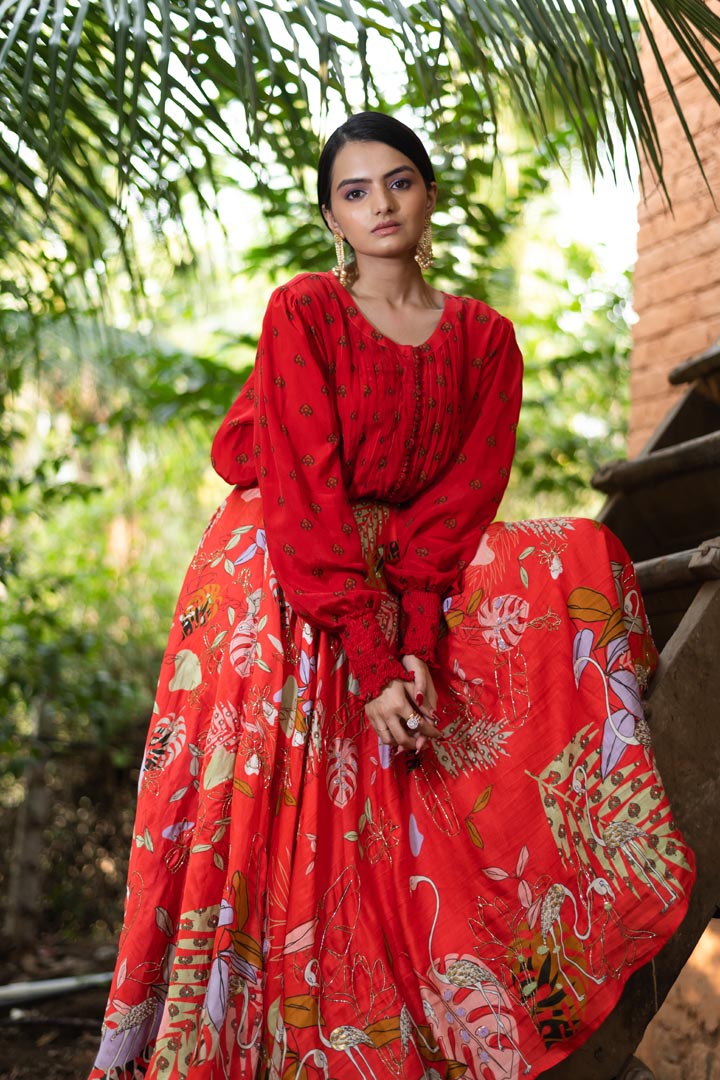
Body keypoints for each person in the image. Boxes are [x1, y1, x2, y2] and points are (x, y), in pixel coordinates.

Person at [89, 113, 694, 1080]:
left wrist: (413, 634)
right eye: (356, 191)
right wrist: (371, 660)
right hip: (284, 564)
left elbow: (461, 501)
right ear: (332, 214)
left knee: (581, 549)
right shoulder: (304, 313)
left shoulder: (487, 340)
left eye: (399, 182)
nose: (381, 204)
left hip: (407, 558)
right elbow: (304, 491)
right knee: (274, 817)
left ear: (430, 196)